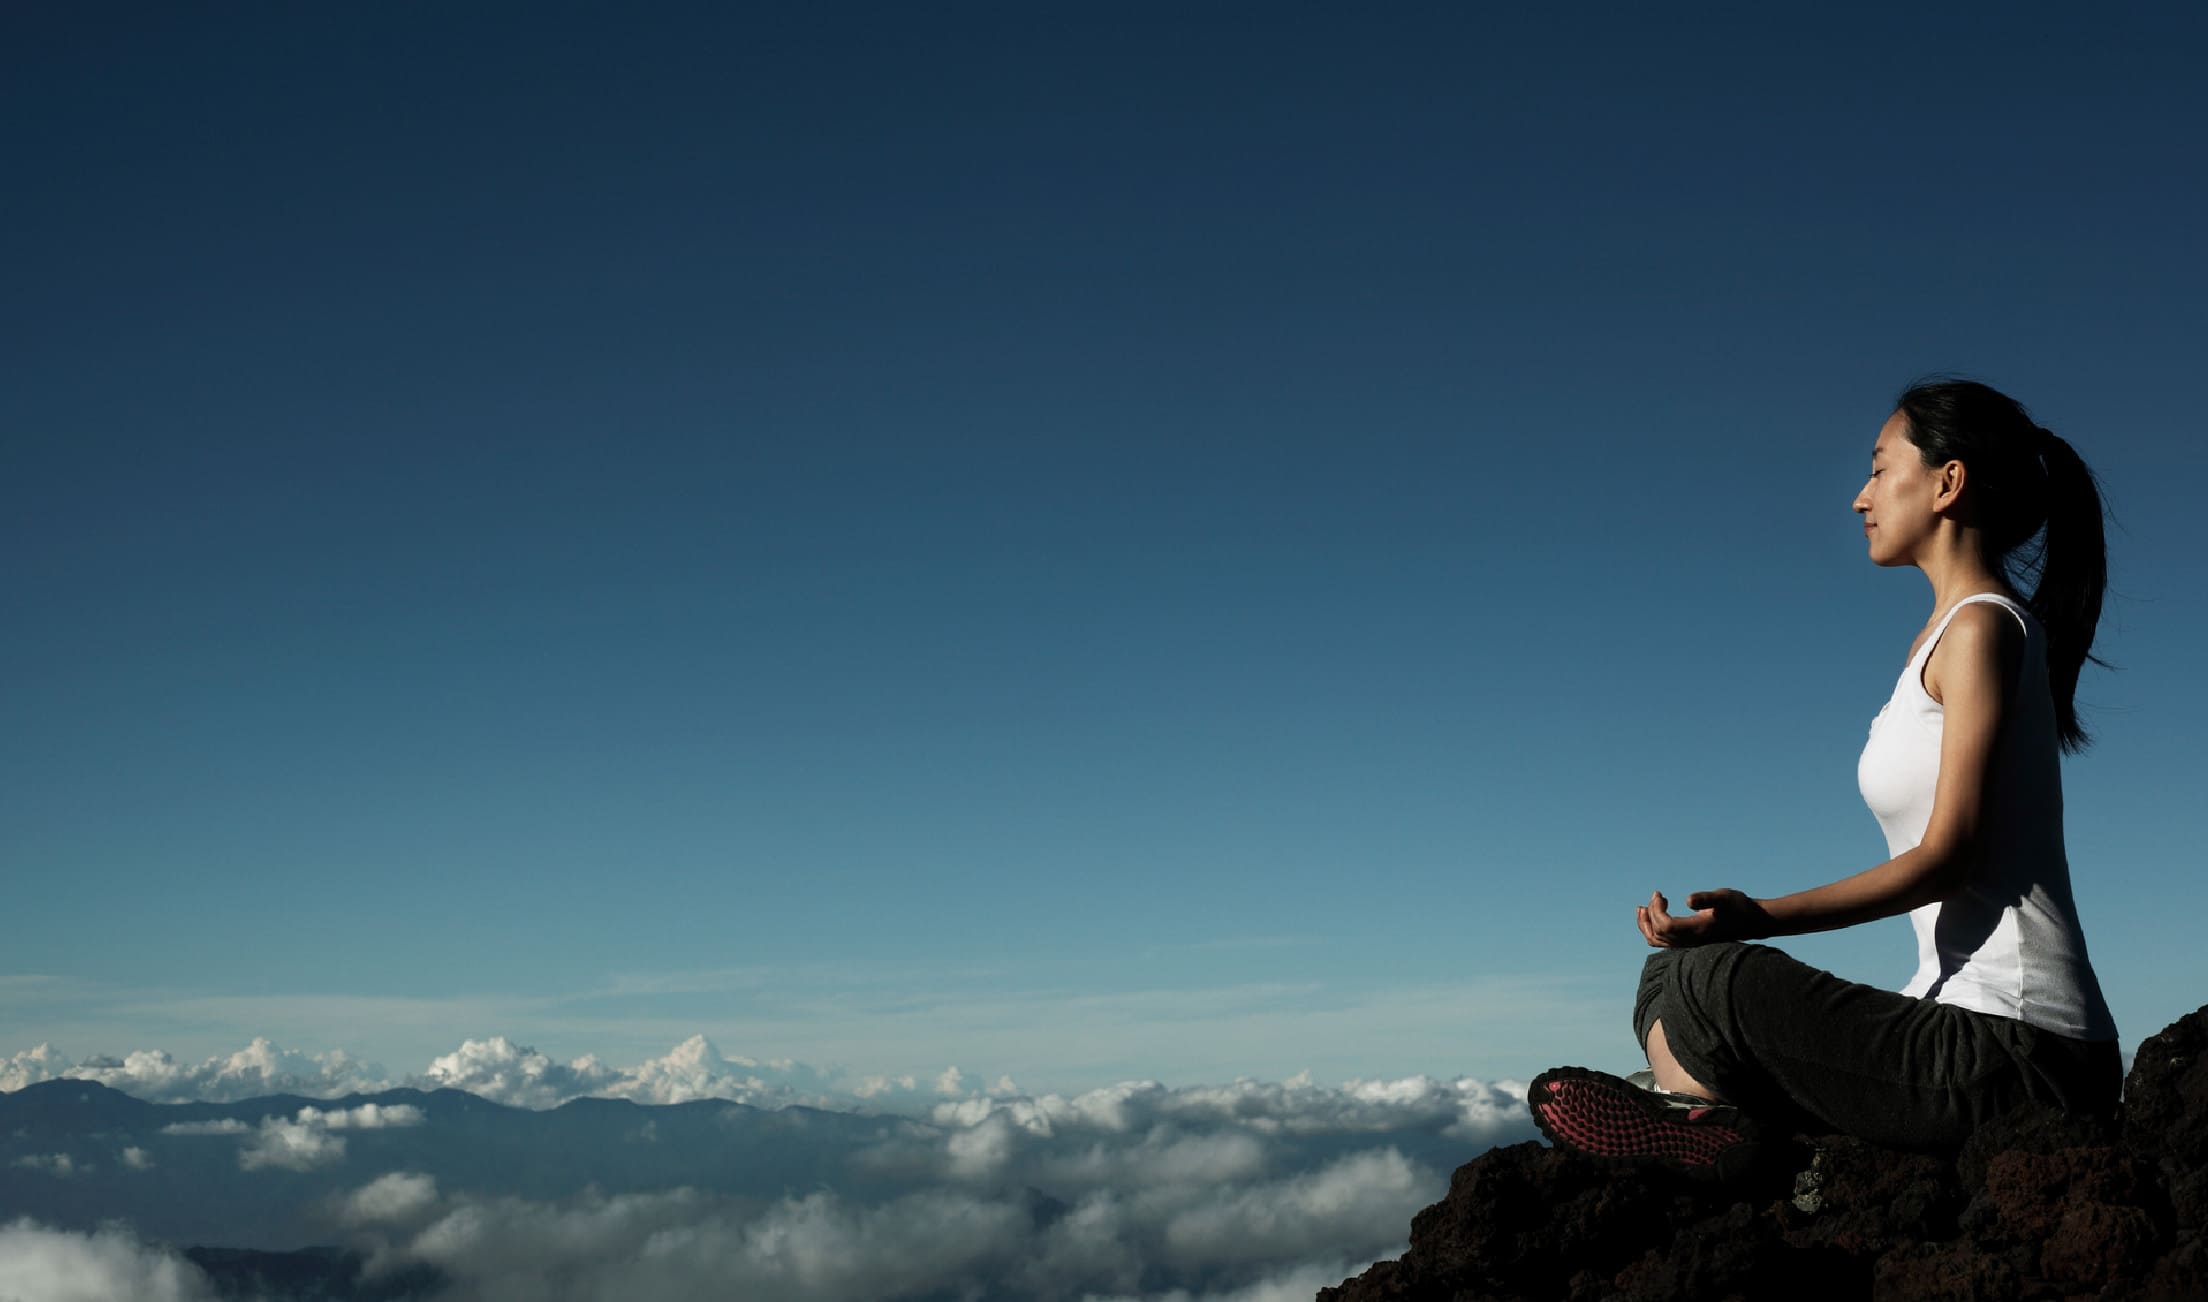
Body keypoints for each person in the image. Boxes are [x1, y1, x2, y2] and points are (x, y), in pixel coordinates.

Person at [1528, 378, 2122, 1177]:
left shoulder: (1984, 629)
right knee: (1670, 971)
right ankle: (1710, 1112)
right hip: (1961, 1030)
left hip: (2022, 1054)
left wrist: (1760, 917)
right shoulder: (1947, 635)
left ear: (1948, 483)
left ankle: (1723, 1127)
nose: (1859, 497)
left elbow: (1950, 858)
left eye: (1880, 469)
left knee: (1715, 979)